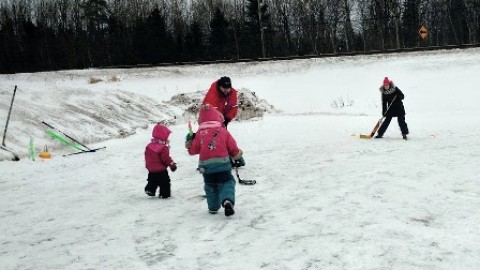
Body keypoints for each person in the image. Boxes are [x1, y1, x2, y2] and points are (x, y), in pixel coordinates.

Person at [185, 105, 245, 216]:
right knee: (227, 183)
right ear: (217, 117)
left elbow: (192, 151)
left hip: (206, 167)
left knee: (210, 185)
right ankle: (227, 200)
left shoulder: (199, 134)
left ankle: (213, 207)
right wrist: (237, 155)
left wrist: (189, 141)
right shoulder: (223, 131)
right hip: (222, 165)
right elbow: (232, 148)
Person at [144, 123, 177, 198]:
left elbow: (146, 155)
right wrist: (172, 165)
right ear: (163, 135)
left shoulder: (149, 145)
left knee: (152, 181)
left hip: (151, 169)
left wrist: (149, 165)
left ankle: (150, 189)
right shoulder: (163, 147)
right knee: (165, 182)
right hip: (161, 170)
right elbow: (166, 158)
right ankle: (164, 194)